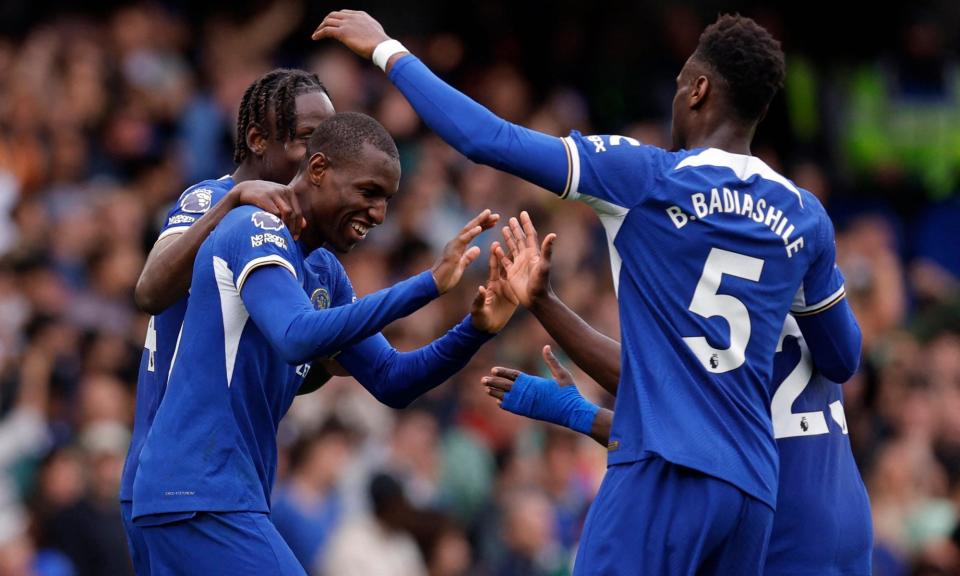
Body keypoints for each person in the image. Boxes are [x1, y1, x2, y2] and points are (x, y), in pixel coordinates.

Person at [315, 12, 862, 574]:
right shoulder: (805, 217)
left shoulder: (648, 176)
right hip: (752, 492)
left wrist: (386, 50)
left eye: (679, 86)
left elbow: (484, 137)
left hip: (662, 470)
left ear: (698, 90)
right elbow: (841, 357)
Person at [132, 112, 514, 574]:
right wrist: (428, 284)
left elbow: (394, 380)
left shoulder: (323, 271)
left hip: (218, 492)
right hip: (199, 489)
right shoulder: (254, 227)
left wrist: (476, 329)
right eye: (368, 192)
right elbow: (295, 337)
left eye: (388, 199)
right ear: (317, 171)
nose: (378, 214)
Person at [483, 213, 873, 574]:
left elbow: (660, 388)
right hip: (843, 506)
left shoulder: (728, 319)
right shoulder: (804, 292)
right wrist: (582, 414)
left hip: (782, 520)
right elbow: (686, 425)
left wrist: (544, 305)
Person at [119, 68, 335, 573]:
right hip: (184, 481)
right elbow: (149, 289)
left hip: (209, 486)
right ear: (258, 140)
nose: (321, 157)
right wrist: (233, 201)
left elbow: (289, 368)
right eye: (307, 139)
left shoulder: (304, 249)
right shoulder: (208, 199)